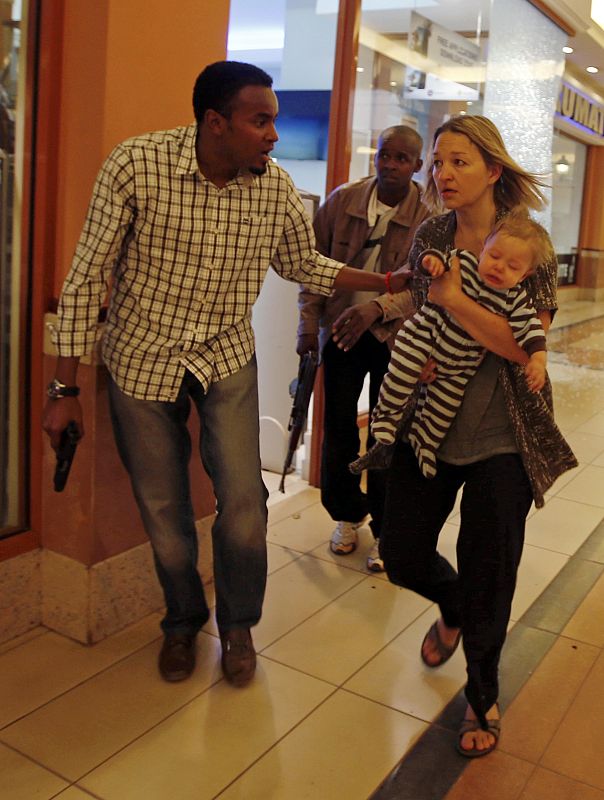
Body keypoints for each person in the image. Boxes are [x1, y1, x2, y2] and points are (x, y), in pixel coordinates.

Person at [41, 61, 411, 688]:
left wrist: (382, 282)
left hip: (226, 357)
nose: (273, 134)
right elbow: (85, 277)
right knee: (163, 509)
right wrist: (63, 389)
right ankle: (182, 620)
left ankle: (238, 625)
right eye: (260, 120)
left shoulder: (272, 188)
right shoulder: (136, 165)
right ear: (215, 123)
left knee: (244, 501)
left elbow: (305, 264)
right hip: (141, 356)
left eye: (274, 120)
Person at [337, 115, 576, 758]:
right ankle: (454, 605)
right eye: (438, 162)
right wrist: (425, 316)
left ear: (493, 170)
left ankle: (481, 695)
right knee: (405, 552)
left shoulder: (532, 243)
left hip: (505, 432)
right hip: (429, 422)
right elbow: (421, 304)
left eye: (458, 162)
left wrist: (456, 303)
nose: (441, 174)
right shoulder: (433, 232)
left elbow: (524, 344)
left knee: (490, 570)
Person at [297, 125, 429, 571]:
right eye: (384, 155)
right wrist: (307, 327)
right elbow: (313, 269)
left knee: (388, 435)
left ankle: (388, 533)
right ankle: (347, 515)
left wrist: (376, 309)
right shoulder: (343, 201)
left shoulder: (430, 218)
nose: (390, 165)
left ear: (417, 165)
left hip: (397, 341)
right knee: (337, 432)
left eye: (401, 158)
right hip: (340, 334)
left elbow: (425, 290)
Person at [355, 214, 550, 478]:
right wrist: (431, 262)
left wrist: (538, 360)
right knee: (402, 374)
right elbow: (434, 260)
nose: (499, 267)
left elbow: (533, 333)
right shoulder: (465, 263)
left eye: (512, 266)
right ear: (483, 250)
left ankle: (425, 444)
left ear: (525, 274)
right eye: (494, 256)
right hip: (423, 336)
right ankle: (386, 417)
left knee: (442, 410)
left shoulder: (516, 300)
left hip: (460, 366)